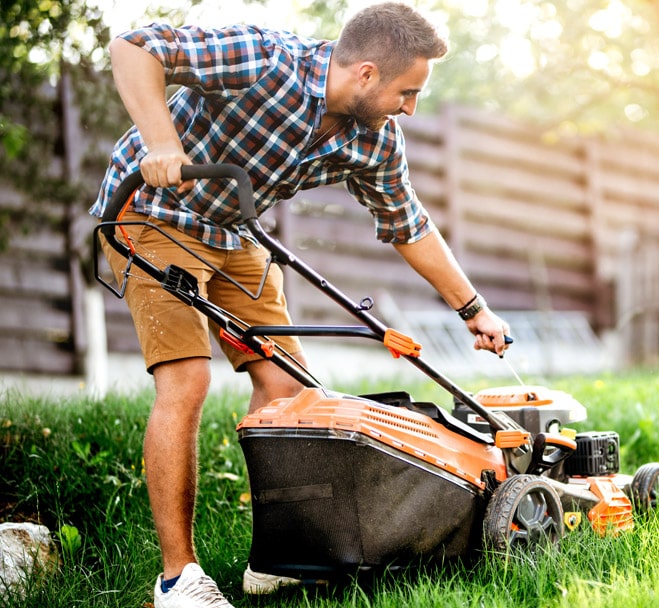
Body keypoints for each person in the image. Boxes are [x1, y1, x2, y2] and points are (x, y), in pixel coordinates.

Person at [91, 3, 511, 607]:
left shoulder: (375, 140)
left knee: (291, 394)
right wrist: (161, 143)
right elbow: (134, 46)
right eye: (407, 92)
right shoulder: (267, 59)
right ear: (366, 74)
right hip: (150, 214)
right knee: (185, 382)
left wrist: (473, 308)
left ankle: (277, 559)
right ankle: (177, 580)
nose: (411, 108)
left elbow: (408, 224)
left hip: (233, 230)